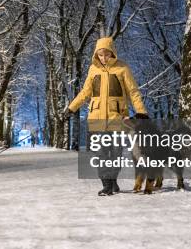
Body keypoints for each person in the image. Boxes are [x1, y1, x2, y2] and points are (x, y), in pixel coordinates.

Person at [63, 37, 148, 196]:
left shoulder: (122, 68)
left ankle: (112, 180)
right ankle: (106, 185)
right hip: (96, 119)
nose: (104, 58)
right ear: (96, 54)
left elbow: (133, 92)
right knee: (100, 154)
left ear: (112, 53)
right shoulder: (93, 70)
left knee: (115, 154)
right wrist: (71, 108)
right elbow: (85, 93)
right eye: (100, 54)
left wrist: (141, 111)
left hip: (118, 118)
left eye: (107, 54)